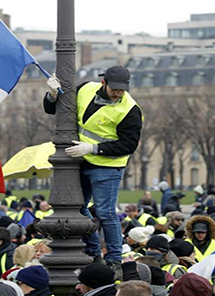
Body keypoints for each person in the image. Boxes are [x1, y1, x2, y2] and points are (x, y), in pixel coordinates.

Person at [43, 66, 142, 269]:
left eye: (122, 90)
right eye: (115, 89)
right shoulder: (85, 89)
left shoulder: (130, 109)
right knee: (78, 207)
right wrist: (52, 95)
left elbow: (129, 145)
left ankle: (114, 258)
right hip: (80, 160)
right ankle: (93, 250)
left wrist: (93, 148)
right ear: (103, 82)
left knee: (106, 213)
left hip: (107, 165)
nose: (118, 93)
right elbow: (55, 110)